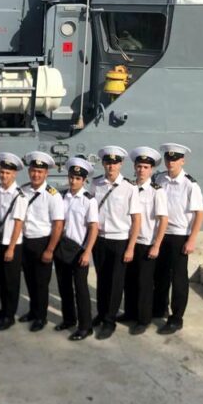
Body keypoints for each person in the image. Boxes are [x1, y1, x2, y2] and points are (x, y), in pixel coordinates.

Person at [153, 143, 203, 335]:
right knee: (160, 275)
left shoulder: (190, 184)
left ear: (182, 161)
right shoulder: (159, 178)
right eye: (168, 158)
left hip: (179, 235)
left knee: (178, 279)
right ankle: (159, 308)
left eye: (175, 159)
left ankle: (176, 318)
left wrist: (192, 239)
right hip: (160, 234)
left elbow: (199, 213)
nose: (171, 162)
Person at [90, 146, 142, 340]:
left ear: (121, 164)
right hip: (100, 240)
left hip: (120, 240)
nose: (111, 166)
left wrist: (131, 247)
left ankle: (109, 321)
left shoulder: (130, 188)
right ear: (103, 164)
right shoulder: (96, 184)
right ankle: (101, 313)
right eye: (108, 162)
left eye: (115, 163)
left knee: (115, 283)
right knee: (102, 280)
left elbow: (136, 220)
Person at [18, 151, 65, 332]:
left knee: (41, 284)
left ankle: (41, 317)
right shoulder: (23, 191)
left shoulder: (52, 195)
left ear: (46, 173)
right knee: (30, 280)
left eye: (40, 171)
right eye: (33, 171)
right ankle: (32, 311)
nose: (36, 174)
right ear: (29, 171)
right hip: (26, 241)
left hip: (43, 242)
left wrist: (50, 250)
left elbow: (58, 225)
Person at [123, 147, 168, 335]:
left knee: (144, 283)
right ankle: (130, 313)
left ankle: (143, 319)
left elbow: (163, 220)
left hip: (146, 242)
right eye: (139, 166)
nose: (141, 170)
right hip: (128, 241)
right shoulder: (129, 188)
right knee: (129, 280)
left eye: (146, 167)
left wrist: (157, 245)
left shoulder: (157, 191)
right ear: (134, 167)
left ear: (151, 170)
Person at [54, 158, 100, 341]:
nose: (73, 181)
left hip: (80, 250)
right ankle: (68, 319)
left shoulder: (89, 200)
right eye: (71, 177)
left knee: (80, 289)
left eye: (77, 178)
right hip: (62, 248)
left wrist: (88, 252)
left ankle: (85, 327)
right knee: (64, 286)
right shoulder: (61, 196)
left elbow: (94, 227)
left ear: (84, 180)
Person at [0, 153, 28, 331]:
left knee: (11, 283)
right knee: (1, 280)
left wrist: (11, 248)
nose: (4, 176)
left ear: (14, 174)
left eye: (7, 173)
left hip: (12, 244)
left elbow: (18, 223)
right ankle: (3, 310)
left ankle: (9, 316)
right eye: (2, 172)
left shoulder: (19, 196)